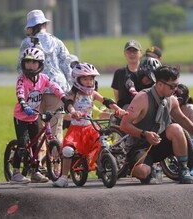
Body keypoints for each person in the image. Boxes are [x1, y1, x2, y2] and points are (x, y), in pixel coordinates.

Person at [119, 65, 193, 184]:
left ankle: (183, 169)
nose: (176, 90)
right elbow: (124, 125)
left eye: (177, 86)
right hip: (140, 146)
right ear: (160, 84)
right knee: (142, 172)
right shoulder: (142, 98)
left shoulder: (172, 100)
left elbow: (183, 120)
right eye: (172, 86)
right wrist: (144, 134)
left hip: (159, 144)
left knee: (176, 128)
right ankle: (143, 168)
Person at [53, 63, 126, 188]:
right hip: (76, 130)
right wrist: (73, 112)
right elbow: (68, 103)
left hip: (89, 128)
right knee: (68, 150)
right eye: (85, 79)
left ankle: (103, 166)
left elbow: (106, 101)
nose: (89, 82)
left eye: (91, 79)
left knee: (103, 144)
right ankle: (64, 177)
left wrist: (118, 109)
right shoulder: (74, 94)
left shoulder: (92, 94)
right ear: (77, 80)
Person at [11, 47, 68, 184]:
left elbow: (55, 87)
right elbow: (19, 92)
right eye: (28, 62)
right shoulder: (22, 79)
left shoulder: (44, 78)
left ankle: (35, 172)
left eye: (34, 62)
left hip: (34, 117)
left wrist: (65, 99)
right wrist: (24, 104)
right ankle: (16, 173)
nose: (30, 65)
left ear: (40, 64)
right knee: (23, 144)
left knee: (36, 145)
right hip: (21, 117)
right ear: (23, 64)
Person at [17, 9, 72, 143]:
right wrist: (69, 88)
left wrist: (22, 89)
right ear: (44, 25)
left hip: (36, 87)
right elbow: (67, 64)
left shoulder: (26, 43)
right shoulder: (57, 42)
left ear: (31, 27)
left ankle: (39, 162)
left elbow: (20, 67)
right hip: (57, 86)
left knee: (38, 129)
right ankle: (56, 163)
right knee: (55, 129)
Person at [111, 40, 143, 109]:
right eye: (129, 51)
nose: (132, 54)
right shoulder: (119, 73)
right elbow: (117, 98)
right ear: (125, 53)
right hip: (125, 111)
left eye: (135, 51)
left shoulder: (146, 73)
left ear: (141, 53)